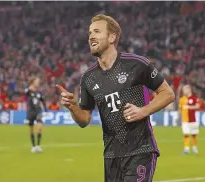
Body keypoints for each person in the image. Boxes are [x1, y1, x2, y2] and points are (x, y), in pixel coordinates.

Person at [57, 14, 175, 182]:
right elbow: (84, 120)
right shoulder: (88, 78)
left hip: (140, 150)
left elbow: (168, 93)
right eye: (90, 33)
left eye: (97, 31)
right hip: (111, 155)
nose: (91, 36)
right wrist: (73, 107)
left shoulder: (136, 64)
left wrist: (143, 111)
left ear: (112, 37)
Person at [25, 77, 47, 153]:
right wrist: (29, 87)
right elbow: (25, 92)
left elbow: (43, 101)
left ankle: (38, 145)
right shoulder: (28, 91)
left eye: (38, 81)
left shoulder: (39, 93)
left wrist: (46, 110)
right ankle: (33, 146)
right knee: (31, 130)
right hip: (31, 112)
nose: (38, 83)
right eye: (37, 81)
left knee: (39, 128)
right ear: (33, 82)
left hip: (38, 111)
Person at [178, 85, 200, 154]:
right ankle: (186, 149)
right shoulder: (182, 99)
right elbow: (180, 109)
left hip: (193, 120)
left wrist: (188, 107)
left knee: (194, 134)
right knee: (186, 134)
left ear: (189, 89)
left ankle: (194, 148)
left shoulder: (194, 98)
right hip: (185, 120)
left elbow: (197, 106)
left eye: (184, 90)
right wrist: (178, 117)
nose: (183, 91)